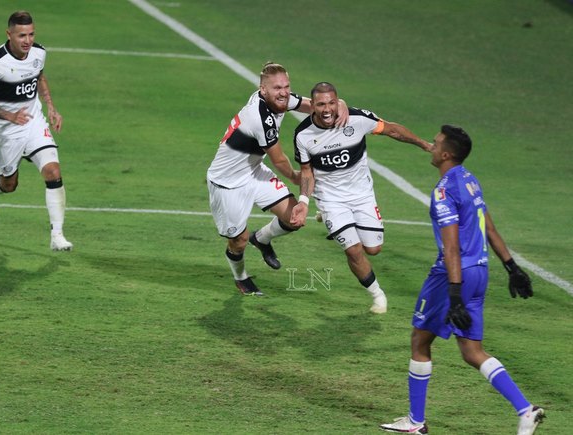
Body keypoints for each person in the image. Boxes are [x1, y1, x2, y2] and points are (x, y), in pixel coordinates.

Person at [379, 125, 544, 434]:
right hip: (480, 271)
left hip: (452, 274)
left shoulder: (444, 190)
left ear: (446, 154)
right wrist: (512, 267)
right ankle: (525, 410)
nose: (432, 144)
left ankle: (415, 422)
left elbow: (451, 246)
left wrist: (454, 293)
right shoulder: (470, 181)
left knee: (420, 340)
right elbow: (489, 229)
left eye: (437, 142)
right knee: (471, 351)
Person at [207, 64, 348, 295]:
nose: (283, 92)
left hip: (253, 171)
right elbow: (280, 160)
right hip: (227, 183)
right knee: (238, 241)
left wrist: (339, 104)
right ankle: (241, 277)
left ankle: (261, 239)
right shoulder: (260, 117)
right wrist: (297, 176)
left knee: (294, 218)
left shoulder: (277, 100)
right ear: (262, 90)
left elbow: (305, 104)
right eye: (277, 88)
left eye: (286, 86)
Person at [291, 82, 432, 313]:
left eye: (331, 103)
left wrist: (423, 144)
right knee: (353, 250)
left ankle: (331, 220)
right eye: (320, 104)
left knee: (373, 249)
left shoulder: (356, 119)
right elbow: (307, 171)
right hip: (331, 198)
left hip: (362, 195)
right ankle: (377, 295)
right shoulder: (303, 135)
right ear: (312, 106)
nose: (327, 109)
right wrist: (304, 202)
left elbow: (392, 130)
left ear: (338, 102)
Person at [0, 11, 72, 251]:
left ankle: (57, 235)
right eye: (21, 36)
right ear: (9, 35)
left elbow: (38, 75)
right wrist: (10, 116)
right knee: (9, 184)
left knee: (53, 171)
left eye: (31, 34)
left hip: (34, 122)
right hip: (6, 131)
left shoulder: (38, 52)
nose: (27, 40)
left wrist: (51, 106)